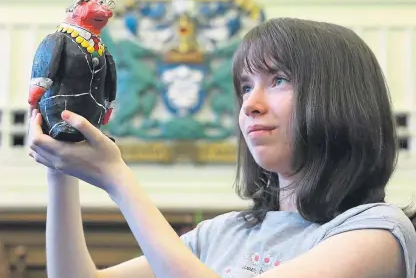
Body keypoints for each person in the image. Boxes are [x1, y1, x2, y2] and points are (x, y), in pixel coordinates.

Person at [28, 18, 416, 278]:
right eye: (246, 86)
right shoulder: (224, 233)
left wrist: (118, 180)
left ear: (341, 99)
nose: (250, 103)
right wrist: (60, 166)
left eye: (278, 80)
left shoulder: (377, 232)